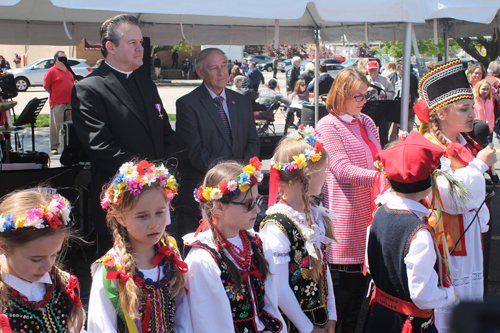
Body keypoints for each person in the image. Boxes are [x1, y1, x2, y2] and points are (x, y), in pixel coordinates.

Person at [72, 14, 176, 256]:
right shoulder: (89, 88)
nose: (141, 49)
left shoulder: (147, 85)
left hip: (158, 199)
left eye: (141, 43)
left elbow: (167, 135)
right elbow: (100, 147)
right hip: (122, 203)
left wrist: (162, 175)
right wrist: (148, 176)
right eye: (133, 43)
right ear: (110, 47)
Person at [413, 59, 497, 332]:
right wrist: (479, 165)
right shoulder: (431, 147)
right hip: (447, 241)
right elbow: (449, 198)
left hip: (467, 238)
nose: (473, 114)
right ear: (441, 114)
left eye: (472, 107)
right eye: (464, 109)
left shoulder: (464, 142)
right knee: (451, 308)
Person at [363, 131, 458, 332]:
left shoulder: (379, 212)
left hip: (379, 317)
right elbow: (422, 294)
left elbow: (372, 263)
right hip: (408, 323)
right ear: (429, 182)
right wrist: (449, 296)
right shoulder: (418, 233)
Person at [88, 160, 191, 332]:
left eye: (160, 213)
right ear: (120, 218)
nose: (154, 224)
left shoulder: (171, 254)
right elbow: (101, 327)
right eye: (142, 216)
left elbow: (185, 317)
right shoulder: (111, 269)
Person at [183, 159, 285, 333]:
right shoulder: (203, 258)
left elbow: (270, 306)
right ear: (219, 207)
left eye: (257, 201)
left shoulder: (258, 243)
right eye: (249, 204)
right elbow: (209, 324)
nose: (256, 210)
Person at [316, 68, 381, 333]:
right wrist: (383, 178)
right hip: (346, 219)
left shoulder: (365, 121)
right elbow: (341, 169)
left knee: (358, 302)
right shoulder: (327, 125)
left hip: (369, 212)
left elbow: (379, 158)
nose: (364, 101)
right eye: (359, 96)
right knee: (341, 302)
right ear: (341, 94)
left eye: (367, 95)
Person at [175, 47, 260, 244]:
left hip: (241, 193)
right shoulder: (188, 104)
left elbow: (253, 141)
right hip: (208, 194)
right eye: (214, 68)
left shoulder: (241, 101)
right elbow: (194, 152)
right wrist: (230, 179)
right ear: (200, 72)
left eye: (224, 65)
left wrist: (242, 177)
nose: (222, 72)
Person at [260, 126, 337, 333]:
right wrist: (307, 328)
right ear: (307, 176)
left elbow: (323, 268)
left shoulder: (313, 215)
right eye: (323, 170)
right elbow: (279, 287)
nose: (326, 176)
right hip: (294, 323)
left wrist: (332, 313)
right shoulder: (277, 226)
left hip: (318, 318)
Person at [0, 188, 85, 332]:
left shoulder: (64, 285)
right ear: (4, 247)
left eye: (54, 255)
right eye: (36, 259)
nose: (47, 267)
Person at [43, 50, 74, 155]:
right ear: (56, 59)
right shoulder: (51, 71)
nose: (64, 60)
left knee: (69, 126)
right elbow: (46, 86)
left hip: (70, 102)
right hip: (58, 103)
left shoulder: (69, 70)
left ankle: (69, 146)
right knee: (56, 127)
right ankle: (54, 147)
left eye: (65, 58)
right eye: (61, 58)